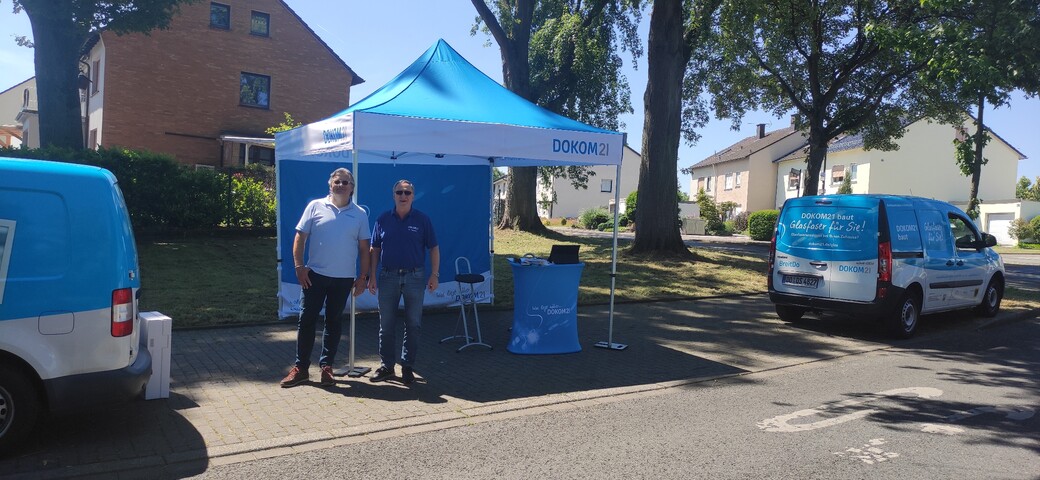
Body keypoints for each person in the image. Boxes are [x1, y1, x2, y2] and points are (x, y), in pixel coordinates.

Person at [280, 168, 370, 388]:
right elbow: (300, 238)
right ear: (330, 185)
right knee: (306, 320)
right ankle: (301, 369)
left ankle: (327, 367)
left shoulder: (360, 214)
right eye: (337, 181)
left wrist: (363, 277)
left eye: (345, 182)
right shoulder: (315, 206)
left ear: (352, 188)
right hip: (315, 276)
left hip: (344, 279)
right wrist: (299, 267)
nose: (341, 185)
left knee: (333, 322)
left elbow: (364, 248)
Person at [367, 179, 440, 385]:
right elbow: (375, 249)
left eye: (407, 192)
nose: (403, 196)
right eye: (399, 192)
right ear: (393, 196)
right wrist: (372, 276)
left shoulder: (422, 220)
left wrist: (434, 274)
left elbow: (434, 248)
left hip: (415, 277)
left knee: (413, 324)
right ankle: (387, 367)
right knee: (386, 325)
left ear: (413, 196)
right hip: (388, 276)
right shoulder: (383, 219)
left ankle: (407, 366)